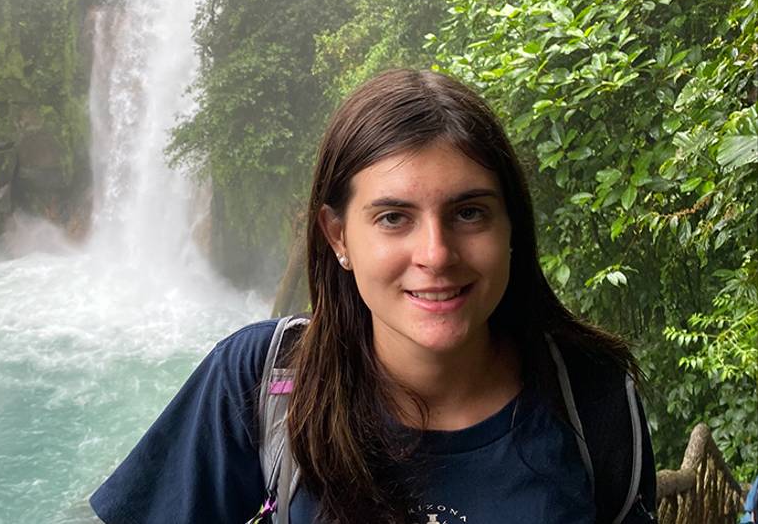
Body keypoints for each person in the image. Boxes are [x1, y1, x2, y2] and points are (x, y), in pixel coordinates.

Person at [89, 69, 657, 524]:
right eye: (393, 217)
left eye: (469, 212)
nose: (436, 254)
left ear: (511, 226)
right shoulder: (264, 383)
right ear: (338, 236)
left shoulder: (592, 397)